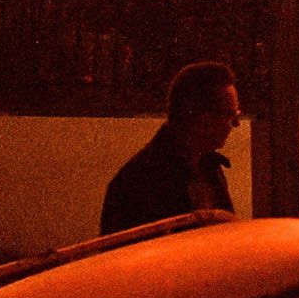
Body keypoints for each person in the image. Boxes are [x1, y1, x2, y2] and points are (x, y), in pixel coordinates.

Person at [100, 61, 242, 234]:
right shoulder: (139, 182)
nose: (236, 124)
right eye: (230, 115)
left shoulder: (208, 168)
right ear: (201, 117)